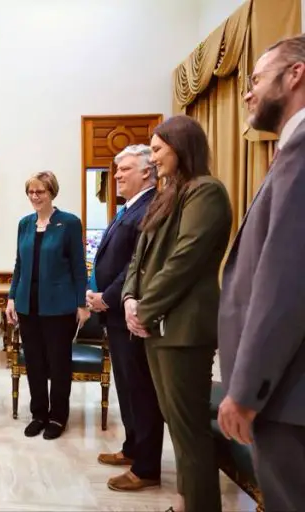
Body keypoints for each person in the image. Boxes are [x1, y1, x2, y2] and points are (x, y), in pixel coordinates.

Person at [121, 115, 232, 512]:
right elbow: (140, 257)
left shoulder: (207, 192)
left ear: (180, 146)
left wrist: (144, 309)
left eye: (156, 149)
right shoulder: (170, 194)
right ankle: (185, 503)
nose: (152, 159)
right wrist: (130, 299)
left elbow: (185, 260)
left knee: (190, 433)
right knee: (176, 427)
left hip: (183, 331)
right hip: (158, 329)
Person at [218, 34, 305, 512]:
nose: (247, 93)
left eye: (255, 79)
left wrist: (247, 390)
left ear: (294, 75)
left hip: (288, 396)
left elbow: (286, 285)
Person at [87, 145, 162, 492]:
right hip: (115, 315)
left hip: (128, 313)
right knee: (127, 389)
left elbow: (137, 265)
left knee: (141, 391)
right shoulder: (128, 208)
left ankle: (146, 467)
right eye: (116, 170)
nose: (116, 176)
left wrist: (107, 297)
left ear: (147, 172)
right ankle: (133, 449)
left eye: (124, 169)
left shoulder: (150, 207)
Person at [5, 171, 89, 440]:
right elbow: (19, 264)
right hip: (28, 306)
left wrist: (82, 303)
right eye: (31, 191)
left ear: (52, 192)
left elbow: (78, 266)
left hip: (59, 307)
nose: (34, 196)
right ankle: (39, 413)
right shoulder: (24, 224)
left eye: (40, 191)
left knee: (58, 364)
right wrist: (11, 297)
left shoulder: (70, 223)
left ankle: (57, 416)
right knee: (35, 363)